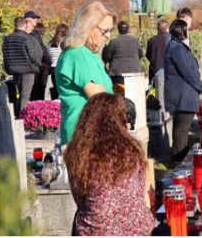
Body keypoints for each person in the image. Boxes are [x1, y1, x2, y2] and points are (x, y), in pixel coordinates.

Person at [64, 92, 154, 235]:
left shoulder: (78, 153)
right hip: (138, 227)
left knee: (83, 214)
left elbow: (79, 198)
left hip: (97, 229)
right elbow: (139, 189)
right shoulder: (132, 149)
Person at [55, 2, 115, 144]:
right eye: (104, 30)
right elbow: (101, 100)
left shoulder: (86, 53)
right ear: (88, 26)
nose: (108, 36)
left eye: (110, 31)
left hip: (87, 132)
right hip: (86, 136)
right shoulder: (79, 54)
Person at [164, 19, 202, 162]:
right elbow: (187, 71)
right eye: (187, 29)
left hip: (182, 94)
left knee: (180, 128)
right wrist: (200, 86)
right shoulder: (177, 48)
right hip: (183, 95)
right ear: (182, 31)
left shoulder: (176, 46)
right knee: (181, 129)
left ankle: (178, 159)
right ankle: (179, 162)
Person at [3, 16, 41, 117]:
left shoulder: (7, 38)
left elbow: (5, 53)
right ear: (24, 25)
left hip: (14, 70)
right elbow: (33, 55)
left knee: (21, 93)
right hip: (27, 70)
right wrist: (38, 64)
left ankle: (17, 116)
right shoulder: (26, 38)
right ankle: (22, 120)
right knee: (25, 96)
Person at [102, 21, 143, 85]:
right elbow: (140, 55)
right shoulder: (135, 41)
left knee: (119, 94)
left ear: (118, 29)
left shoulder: (113, 41)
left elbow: (107, 57)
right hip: (135, 72)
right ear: (128, 29)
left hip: (117, 73)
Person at [47, 24, 68, 100]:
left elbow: (48, 56)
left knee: (56, 89)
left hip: (53, 68)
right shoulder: (66, 44)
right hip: (63, 67)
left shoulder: (50, 44)